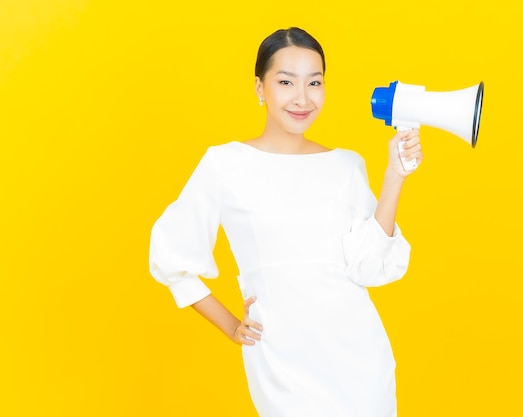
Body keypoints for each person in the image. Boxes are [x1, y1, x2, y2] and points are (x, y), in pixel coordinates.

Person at [149, 27, 423, 417]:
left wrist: (394, 176)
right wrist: (230, 326)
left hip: (359, 364)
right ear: (260, 88)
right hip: (282, 367)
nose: (302, 97)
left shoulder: (345, 165)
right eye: (285, 82)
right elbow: (172, 257)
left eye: (315, 82)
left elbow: (369, 266)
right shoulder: (224, 164)